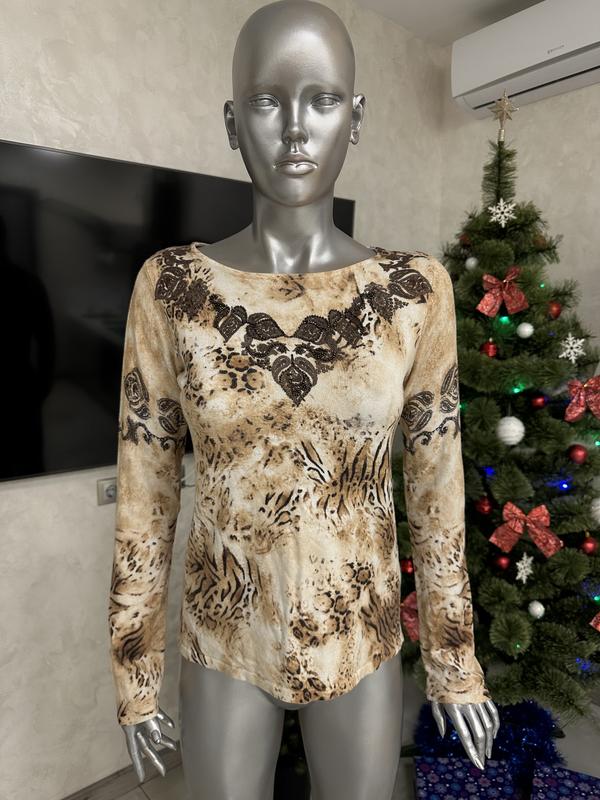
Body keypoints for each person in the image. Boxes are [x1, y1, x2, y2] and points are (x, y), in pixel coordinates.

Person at [108, 2, 500, 797]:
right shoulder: (174, 288)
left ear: (355, 118)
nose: (294, 128)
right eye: (266, 99)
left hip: (360, 634)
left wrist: (455, 660)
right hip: (226, 635)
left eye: (321, 100)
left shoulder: (414, 293)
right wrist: (135, 673)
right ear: (232, 122)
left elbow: (437, 492)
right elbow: (145, 498)